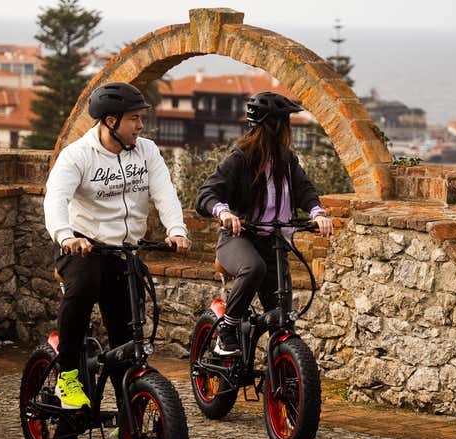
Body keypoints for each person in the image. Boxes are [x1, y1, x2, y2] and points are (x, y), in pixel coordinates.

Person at [44, 82, 191, 409]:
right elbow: (55, 199)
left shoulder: (147, 151)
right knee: (82, 288)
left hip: (124, 251)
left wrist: (176, 230)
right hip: (83, 246)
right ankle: (67, 376)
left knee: (128, 336)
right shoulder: (77, 156)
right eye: (134, 118)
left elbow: (164, 192)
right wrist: (66, 236)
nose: (141, 125)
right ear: (111, 121)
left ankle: (129, 414)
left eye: (141, 118)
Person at [195, 91, 333, 357]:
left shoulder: (286, 159)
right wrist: (224, 213)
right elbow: (206, 194)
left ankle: (284, 372)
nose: (288, 129)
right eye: (285, 123)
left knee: (283, 321)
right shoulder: (240, 157)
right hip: (239, 239)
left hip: (275, 244)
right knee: (253, 267)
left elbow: (304, 189)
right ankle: (227, 331)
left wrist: (317, 213)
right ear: (274, 126)